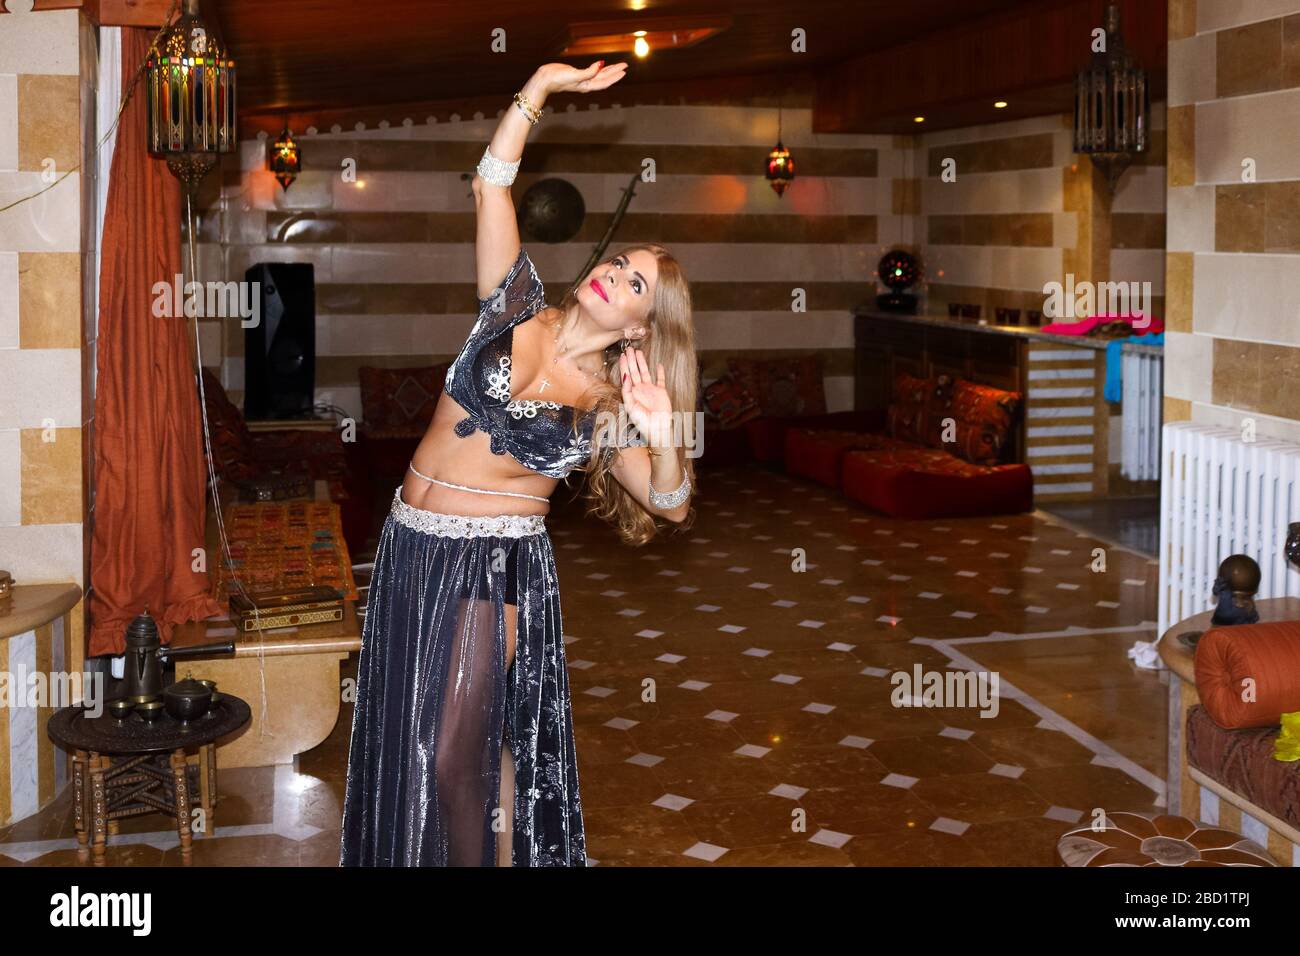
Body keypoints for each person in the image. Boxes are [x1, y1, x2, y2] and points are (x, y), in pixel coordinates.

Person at [339, 59, 699, 866]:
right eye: (616, 263)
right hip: (408, 547)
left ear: (642, 325)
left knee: (452, 751)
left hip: (490, 566)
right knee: (414, 735)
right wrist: (537, 89)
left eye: (634, 282)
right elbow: (490, 186)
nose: (613, 276)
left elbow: (671, 504)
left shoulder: (611, 407)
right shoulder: (514, 305)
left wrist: (664, 431)